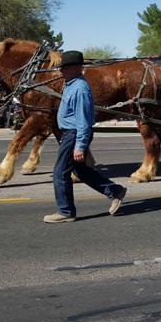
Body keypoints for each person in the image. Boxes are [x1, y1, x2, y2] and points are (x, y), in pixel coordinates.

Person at [43, 50, 127, 223]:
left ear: (76, 68)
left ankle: (65, 211)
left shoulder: (80, 88)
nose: (61, 71)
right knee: (80, 170)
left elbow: (83, 121)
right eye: (62, 67)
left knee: (60, 173)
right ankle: (114, 191)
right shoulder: (70, 84)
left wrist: (80, 146)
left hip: (74, 134)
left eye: (65, 67)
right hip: (70, 133)